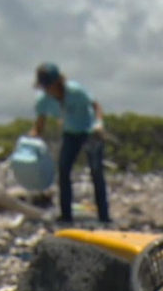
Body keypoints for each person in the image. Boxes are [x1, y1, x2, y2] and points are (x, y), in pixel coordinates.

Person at [28, 63, 109, 224]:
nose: (48, 90)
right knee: (63, 171)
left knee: (96, 172)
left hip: (89, 132)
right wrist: (33, 136)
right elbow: (39, 125)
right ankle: (66, 216)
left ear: (57, 82)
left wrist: (99, 123)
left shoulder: (75, 91)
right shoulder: (43, 100)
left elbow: (96, 105)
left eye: (49, 85)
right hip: (70, 133)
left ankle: (104, 216)